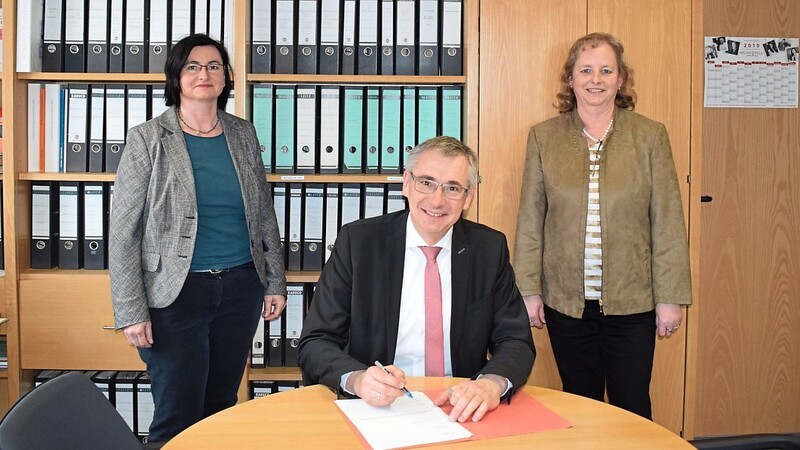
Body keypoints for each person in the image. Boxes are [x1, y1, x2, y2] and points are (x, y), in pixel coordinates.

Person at [109, 34, 287, 442]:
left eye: (213, 66)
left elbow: (262, 213)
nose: (203, 74)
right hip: (175, 295)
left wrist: (274, 280)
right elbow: (123, 232)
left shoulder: (242, 134)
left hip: (240, 288)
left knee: (220, 408)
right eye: (192, 66)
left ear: (226, 76)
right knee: (176, 415)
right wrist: (130, 309)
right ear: (176, 77)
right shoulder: (148, 138)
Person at [513, 33, 691, 419]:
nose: (596, 79)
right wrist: (528, 289)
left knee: (632, 404)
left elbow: (668, 220)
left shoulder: (650, 136)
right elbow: (530, 220)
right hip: (566, 304)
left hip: (634, 303)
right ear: (571, 79)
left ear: (621, 79)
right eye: (586, 70)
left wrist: (670, 296)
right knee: (579, 404)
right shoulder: (544, 137)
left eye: (606, 70)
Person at [298, 136, 535, 423]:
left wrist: (490, 384)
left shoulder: (489, 248)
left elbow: (516, 340)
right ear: (406, 184)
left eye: (452, 188)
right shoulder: (359, 243)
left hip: (459, 406)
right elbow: (316, 340)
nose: (437, 200)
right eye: (427, 182)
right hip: (379, 405)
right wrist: (359, 379)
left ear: (468, 197)